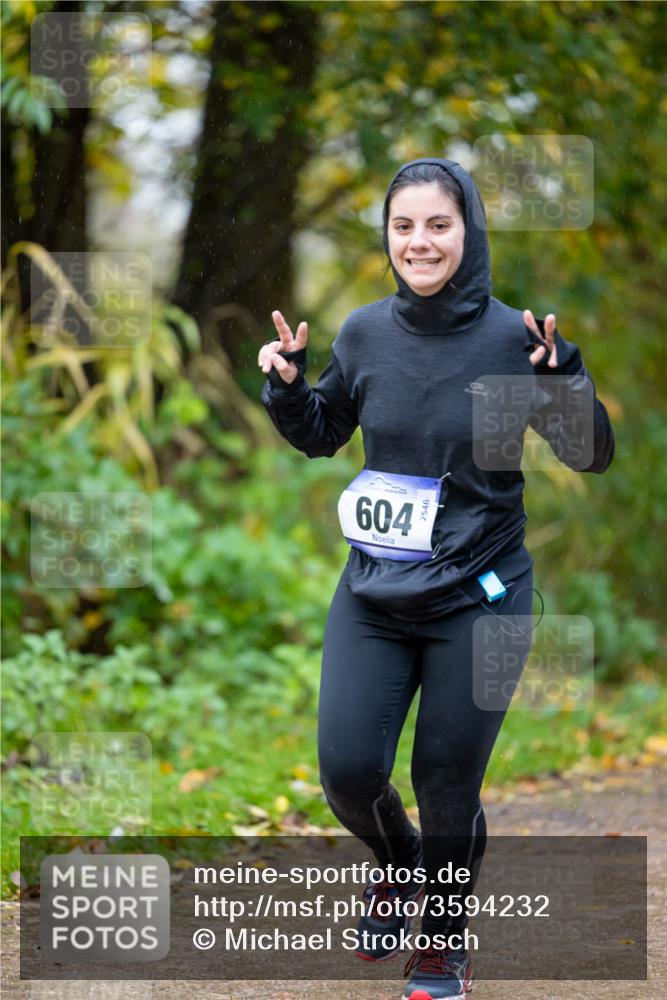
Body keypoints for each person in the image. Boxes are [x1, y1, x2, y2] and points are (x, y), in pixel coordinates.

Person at [258, 157, 615, 1000]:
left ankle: (443, 943)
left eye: (437, 225)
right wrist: (285, 389)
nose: (419, 242)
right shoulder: (362, 333)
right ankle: (403, 864)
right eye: (402, 226)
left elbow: (589, 454)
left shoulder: (514, 340)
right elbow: (322, 434)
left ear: (469, 231)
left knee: (446, 784)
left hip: (481, 596)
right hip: (376, 592)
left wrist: (562, 380)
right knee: (347, 771)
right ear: (388, 237)